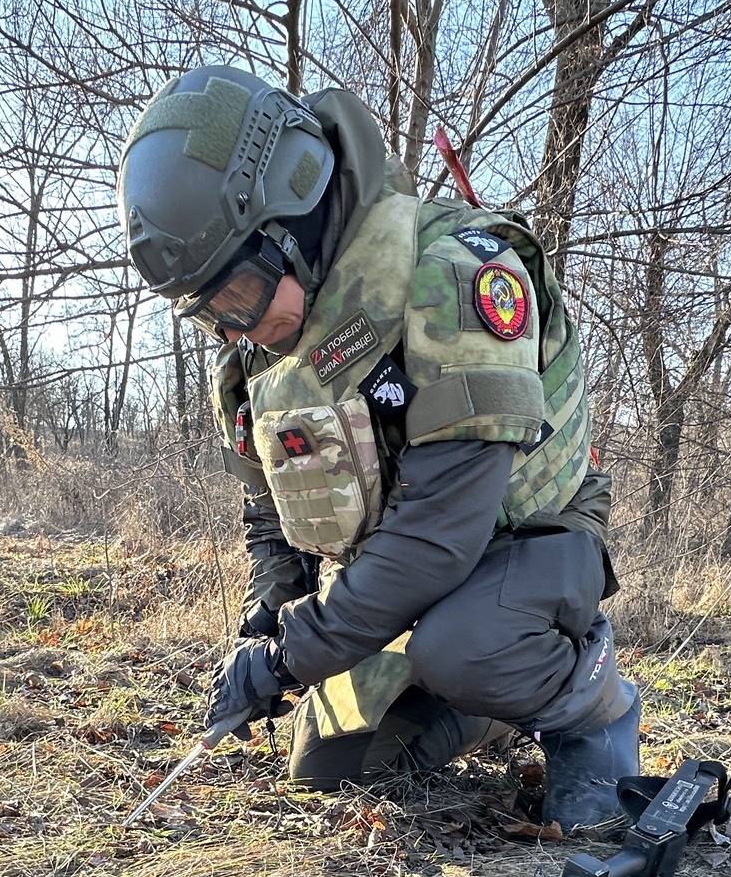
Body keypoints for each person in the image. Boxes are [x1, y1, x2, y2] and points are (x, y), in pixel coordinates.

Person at [115, 66, 639, 829]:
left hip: (528, 540)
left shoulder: (454, 273)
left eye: (238, 297)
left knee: (467, 646)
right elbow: (269, 514)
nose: (232, 331)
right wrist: (269, 622)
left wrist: (295, 654)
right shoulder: (253, 358)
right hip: (408, 570)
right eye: (208, 314)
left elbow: (437, 533)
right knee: (332, 767)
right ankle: (471, 704)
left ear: (288, 225)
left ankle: (589, 705)